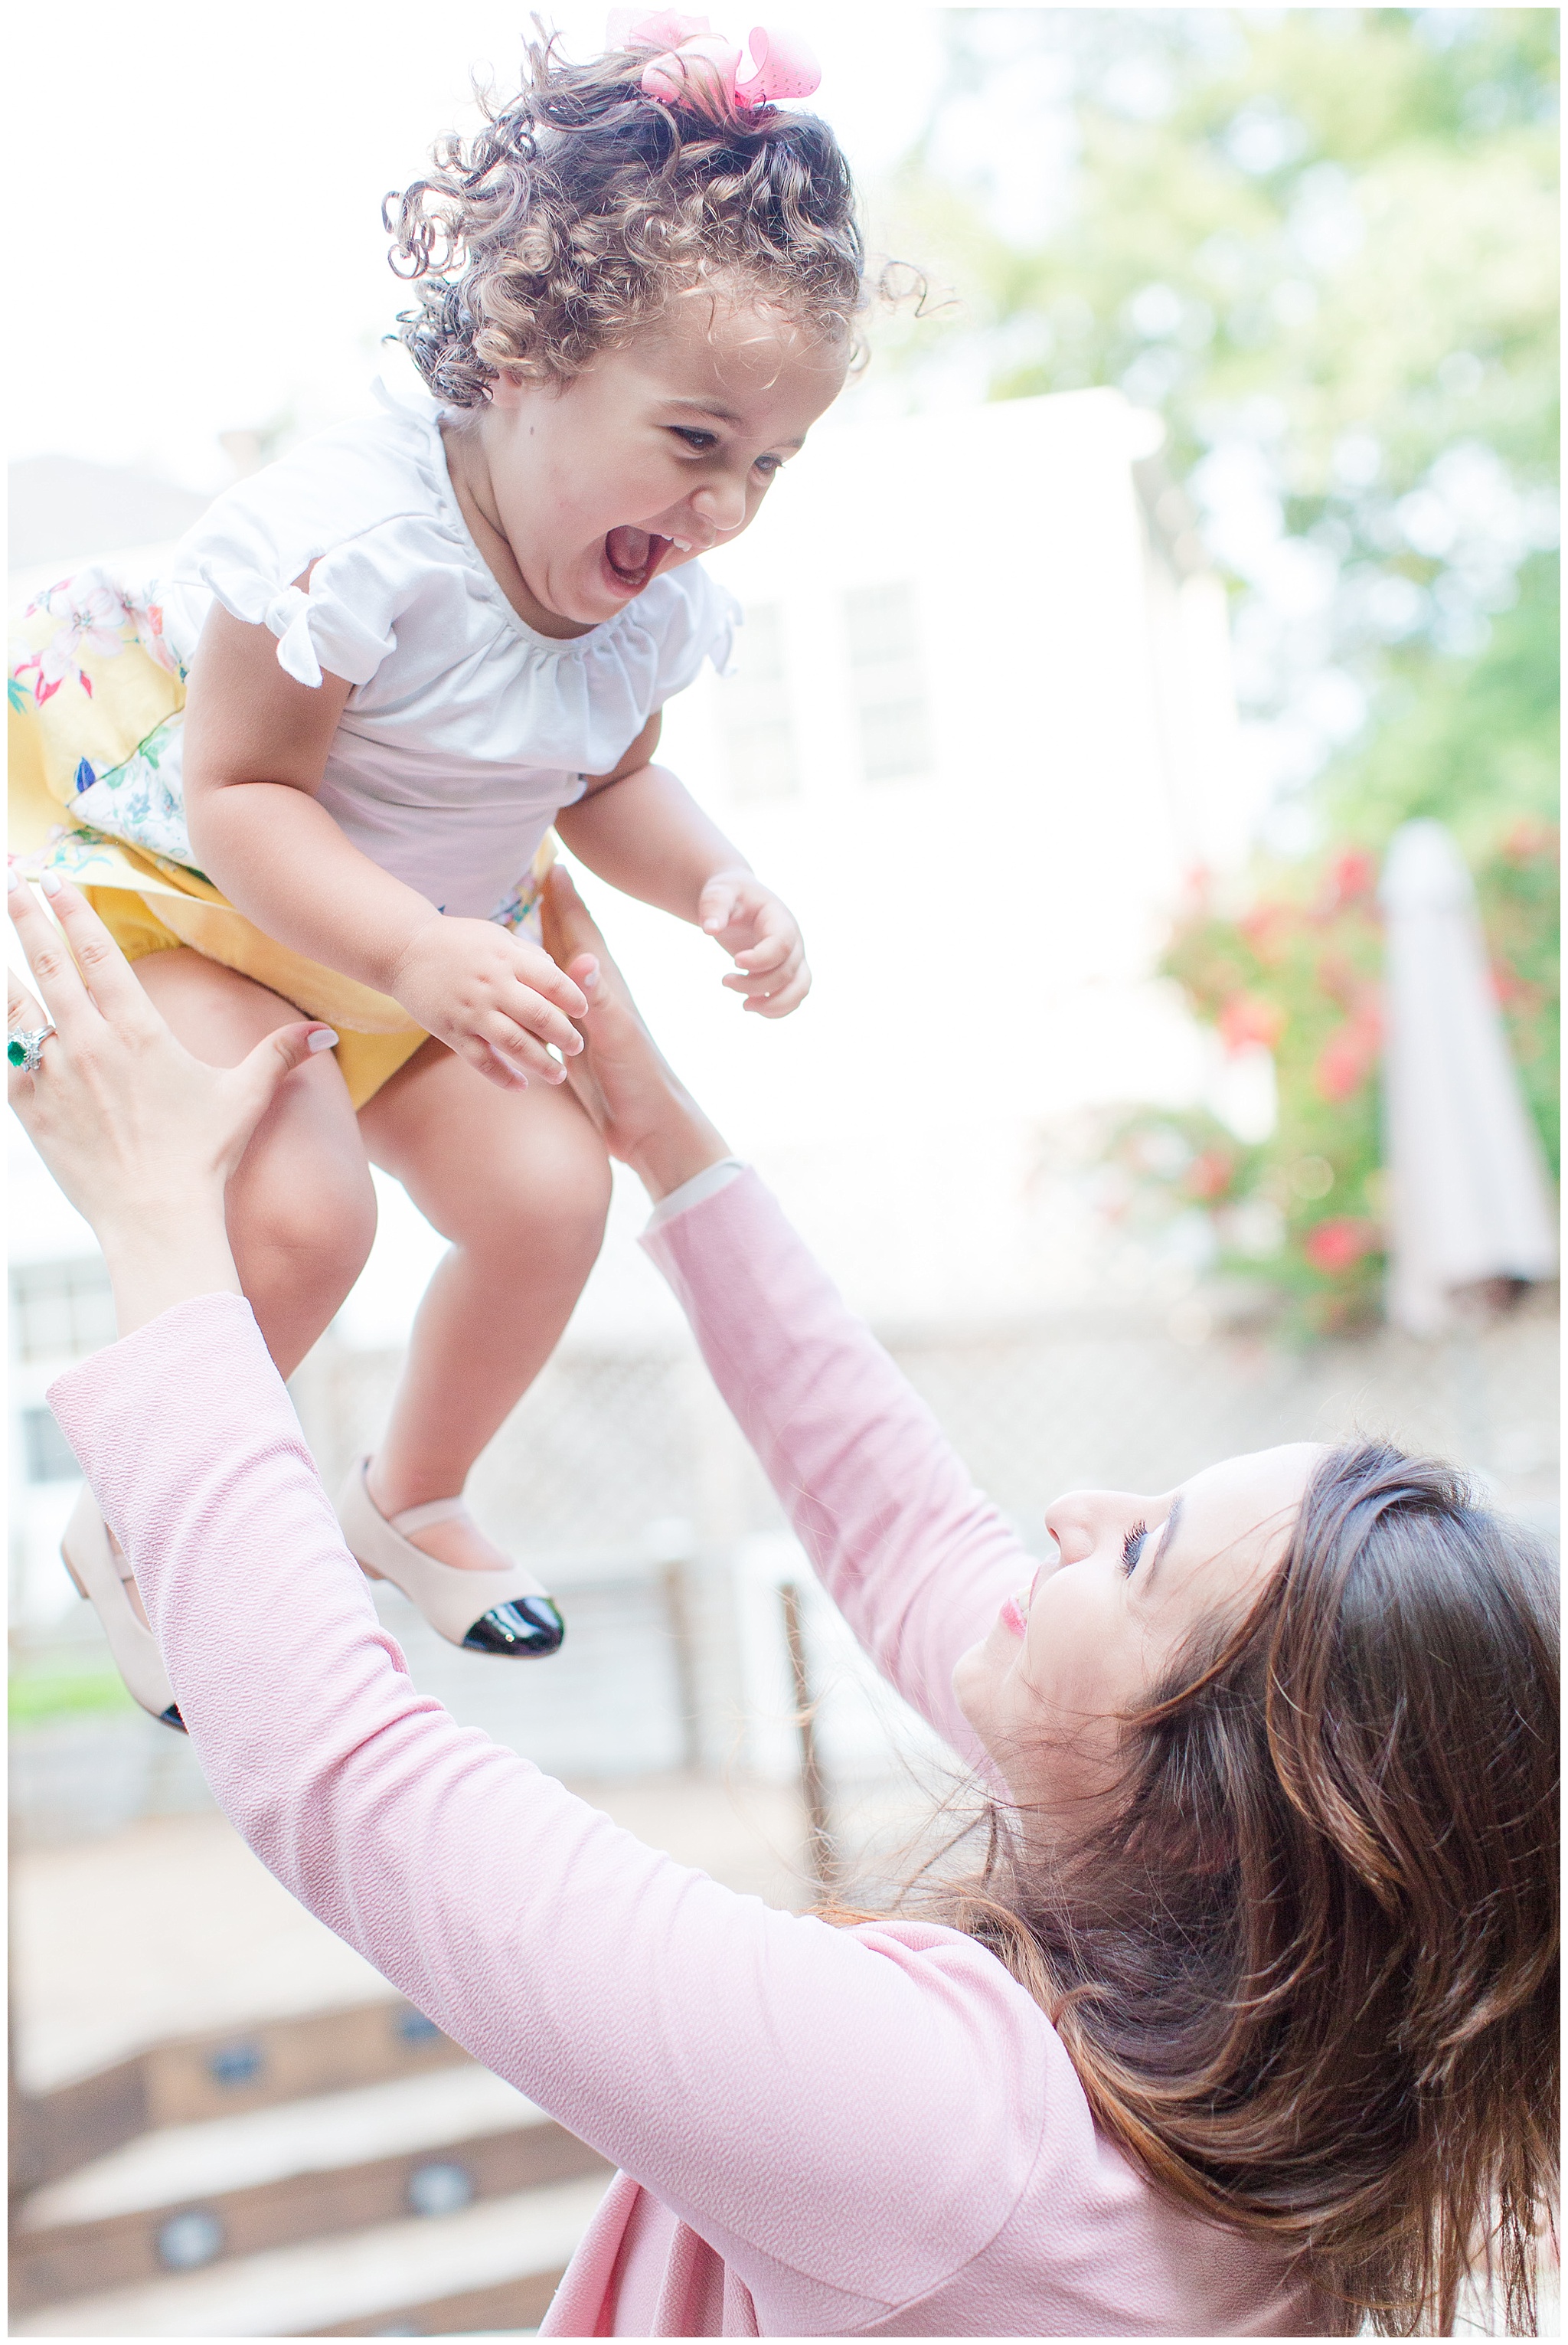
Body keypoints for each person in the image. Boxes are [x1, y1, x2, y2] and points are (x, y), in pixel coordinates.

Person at [7, 868, 1557, 2338]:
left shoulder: (938, 2129)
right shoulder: (1262, 2141)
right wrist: (661, 1134)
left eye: (1140, 1552)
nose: (1072, 1514)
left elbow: (352, 1777)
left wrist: (159, 1227)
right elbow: (909, 1528)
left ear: (1213, 1812)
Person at [6, 18, 853, 1708]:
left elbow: (613, 780)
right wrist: (410, 959)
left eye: (768, 463)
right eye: (694, 444)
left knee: (550, 1200)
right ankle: (134, 1527)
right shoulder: (351, 537)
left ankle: (413, 1499)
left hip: (413, 948)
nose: (726, 510)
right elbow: (242, 793)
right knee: (307, 1219)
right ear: (524, 358)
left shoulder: (646, 603)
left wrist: (715, 886)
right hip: (197, 905)